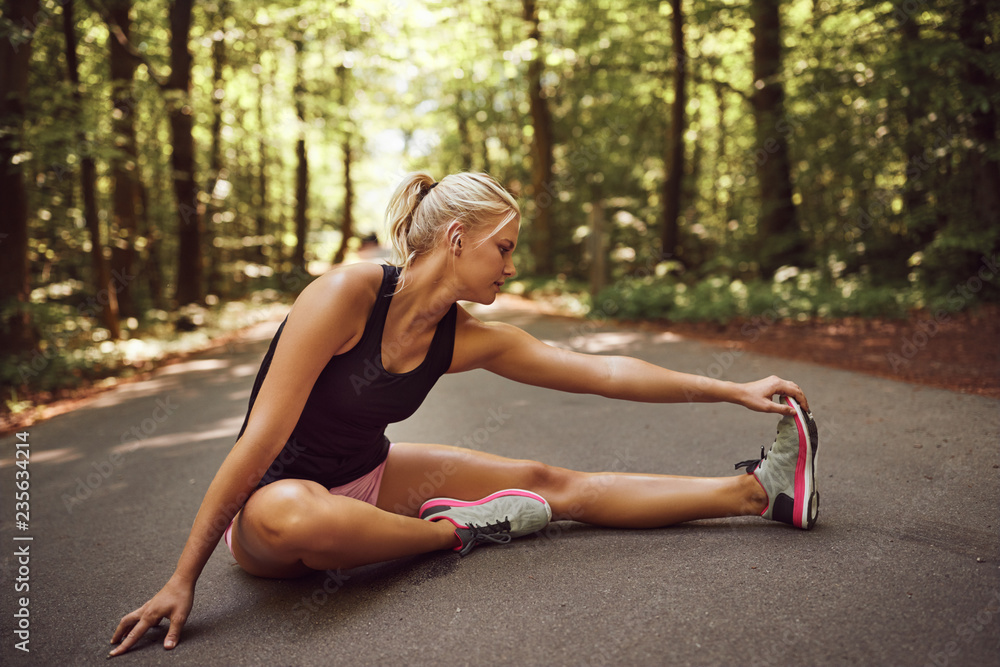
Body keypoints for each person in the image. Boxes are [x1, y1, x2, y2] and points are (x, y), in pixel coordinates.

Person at [109, 171, 819, 657]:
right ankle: (454, 532)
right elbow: (260, 440)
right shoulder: (344, 296)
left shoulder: (468, 336)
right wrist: (183, 577)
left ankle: (759, 492)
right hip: (271, 511)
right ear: (454, 237)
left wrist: (733, 389)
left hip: (369, 478)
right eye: (503, 247)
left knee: (549, 480)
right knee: (301, 512)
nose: (511, 266)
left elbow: (604, 371)